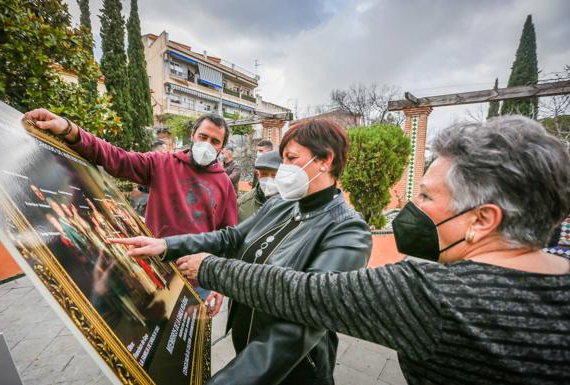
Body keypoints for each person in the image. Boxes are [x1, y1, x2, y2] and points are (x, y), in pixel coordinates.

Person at [171, 116, 570, 385]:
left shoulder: (429, 294)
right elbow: (236, 240)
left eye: (427, 196)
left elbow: (304, 297)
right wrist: (175, 247)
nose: (414, 208)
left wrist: (209, 268)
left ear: (482, 219)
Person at [110, 119, 372, 385]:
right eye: (283, 159)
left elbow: (298, 328)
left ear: (325, 160)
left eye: (291, 158)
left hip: (295, 370)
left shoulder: (348, 231)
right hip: (246, 344)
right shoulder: (282, 204)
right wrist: (167, 245)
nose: (283, 170)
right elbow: (231, 236)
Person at [22, 108, 238, 308]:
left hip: (197, 280)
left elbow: (228, 237)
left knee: (190, 343)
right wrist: (70, 129)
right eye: (203, 137)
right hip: (153, 272)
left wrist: (219, 282)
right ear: (193, 135)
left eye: (215, 141)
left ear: (221, 147)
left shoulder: (224, 183)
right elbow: (117, 159)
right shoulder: (161, 163)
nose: (207, 144)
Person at [237, 151, 282, 222]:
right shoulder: (242, 205)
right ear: (258, 175)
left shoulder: (294, 201)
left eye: (274, 175)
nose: (269, 180)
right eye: (264, 175)